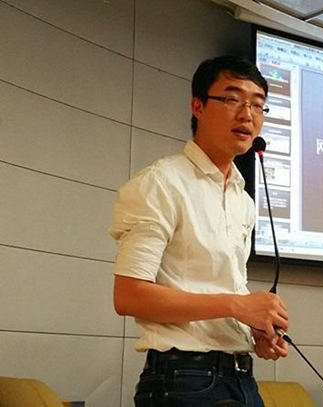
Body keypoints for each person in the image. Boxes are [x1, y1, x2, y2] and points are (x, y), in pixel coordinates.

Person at [109, 55, 290, 407]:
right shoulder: (161, 183)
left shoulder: (242, 199)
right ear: (198, 106)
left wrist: (255, 331)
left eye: (258, 105)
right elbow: (129, 296)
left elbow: (219, 290)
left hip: (240, 377)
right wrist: (238, 305)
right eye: (233, 99)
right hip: (185, 379)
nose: (247, 114)